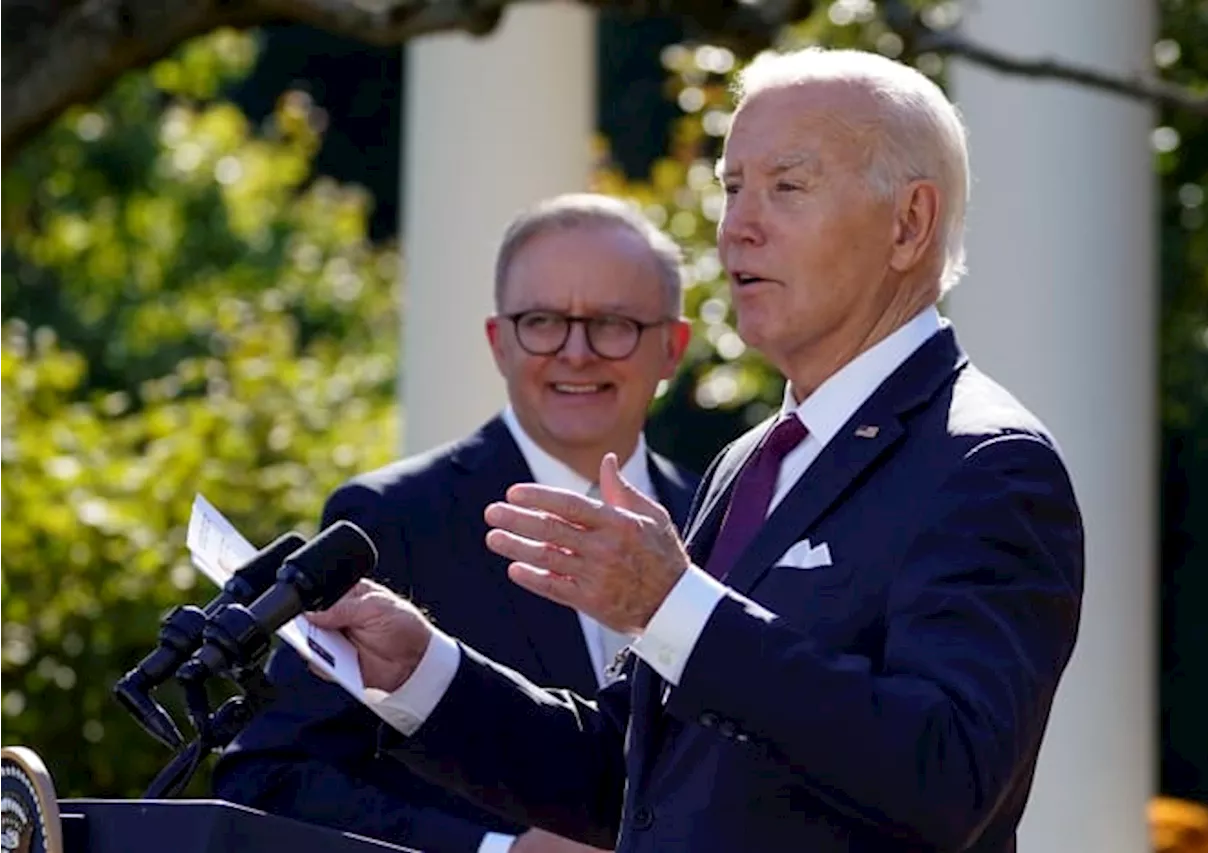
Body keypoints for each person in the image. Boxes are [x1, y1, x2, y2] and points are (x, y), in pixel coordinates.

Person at [308, 47, 1086, 853]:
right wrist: (423, 669)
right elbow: (632, 778)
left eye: (788, 186)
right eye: (732, 187)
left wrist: (674, 606)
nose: (739, 226)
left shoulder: (986, 462)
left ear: (909, 224)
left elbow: (949, 775)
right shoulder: (750, 461)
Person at [212, 193, 699, 853]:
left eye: (613, 323)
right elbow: (267, 779)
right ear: (499, 342)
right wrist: (495, 850)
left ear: (672, 346)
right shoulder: (391, 519)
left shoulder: (723, 517)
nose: (576, 352)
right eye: (543, 321)